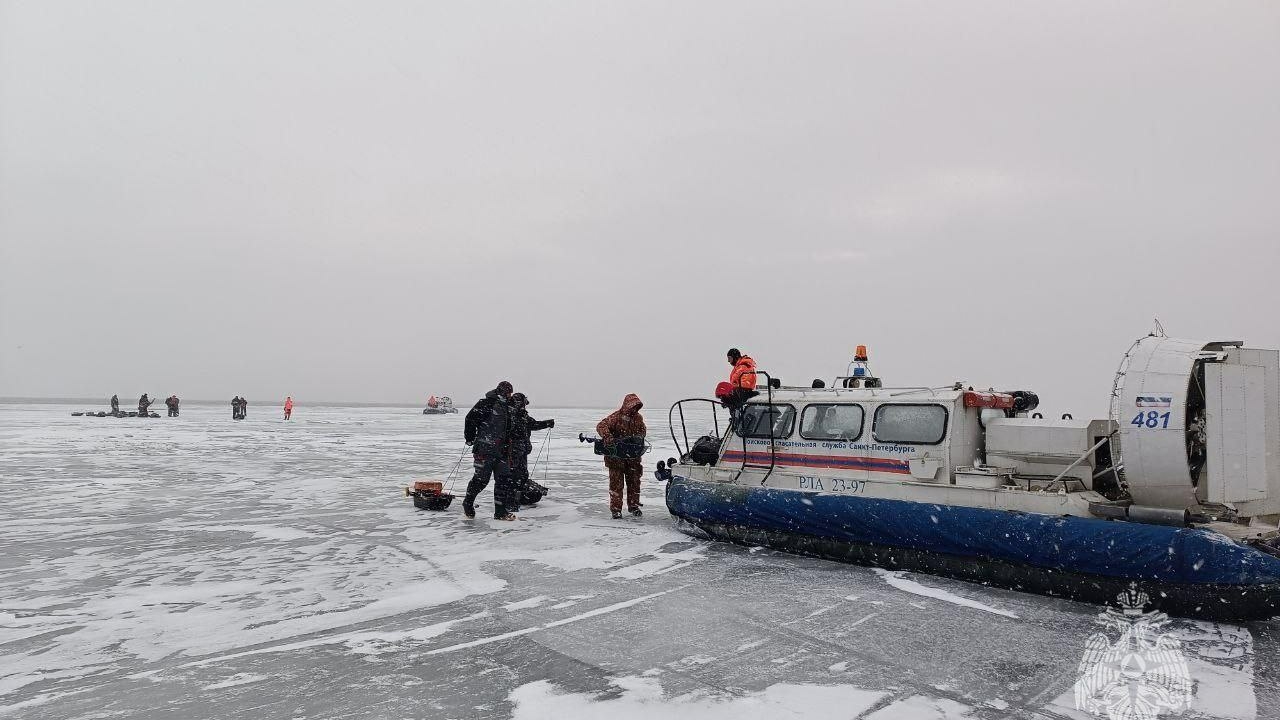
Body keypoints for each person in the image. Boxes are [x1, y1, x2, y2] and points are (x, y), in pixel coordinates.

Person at [462, 381, 516, 520]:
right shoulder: (486, 403)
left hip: (503, 451)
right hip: (484, 450)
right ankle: (468, 503)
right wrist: (470, 438)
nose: (510, 395)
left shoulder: (509, 407)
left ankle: (500, 513)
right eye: (508, 393)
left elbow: (512, 428)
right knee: (481, 480)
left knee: (503, 481)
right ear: (502, 392)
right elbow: (470, 419)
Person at [597, 394, 647, 519]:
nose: (634, 409)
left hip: (633, 458)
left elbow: (643, 431)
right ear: (627, 405)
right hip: (616, 458)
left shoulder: (638, 418)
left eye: (636, 407)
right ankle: (616, 510)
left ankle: (634, 506)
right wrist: (608, 437)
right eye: (632, 406)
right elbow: (601, 426)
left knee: (634, 483)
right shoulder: (616, 417)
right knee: (616, 485)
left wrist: (637, 438)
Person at [509, 393, 554, 506]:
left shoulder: (523, 416)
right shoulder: (509, 415)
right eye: (523, 403)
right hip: (512, 451)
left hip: (522, 450)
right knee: (513, 474)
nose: (524, 406)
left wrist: (546, 423)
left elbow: (533, 424)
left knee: (522, 474)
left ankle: (518, 495)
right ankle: (511, 498)